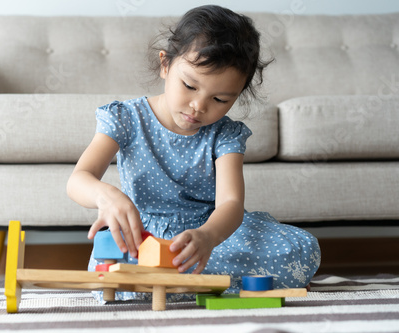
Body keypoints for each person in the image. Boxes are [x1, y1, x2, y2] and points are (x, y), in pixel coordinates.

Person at [67, 5, 320, 302]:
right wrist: (105, 196)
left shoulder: (225, 134)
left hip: (210, 236)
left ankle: (172, 283)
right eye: (189, 85)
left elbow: (231, 204)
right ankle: (204, 282)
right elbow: (78, 179)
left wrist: (208, 237)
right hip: (143, 237)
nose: (199, 106)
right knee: (111, 267)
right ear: (165, 65)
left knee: (300, 248)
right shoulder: (125, 118)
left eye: (220, 99)